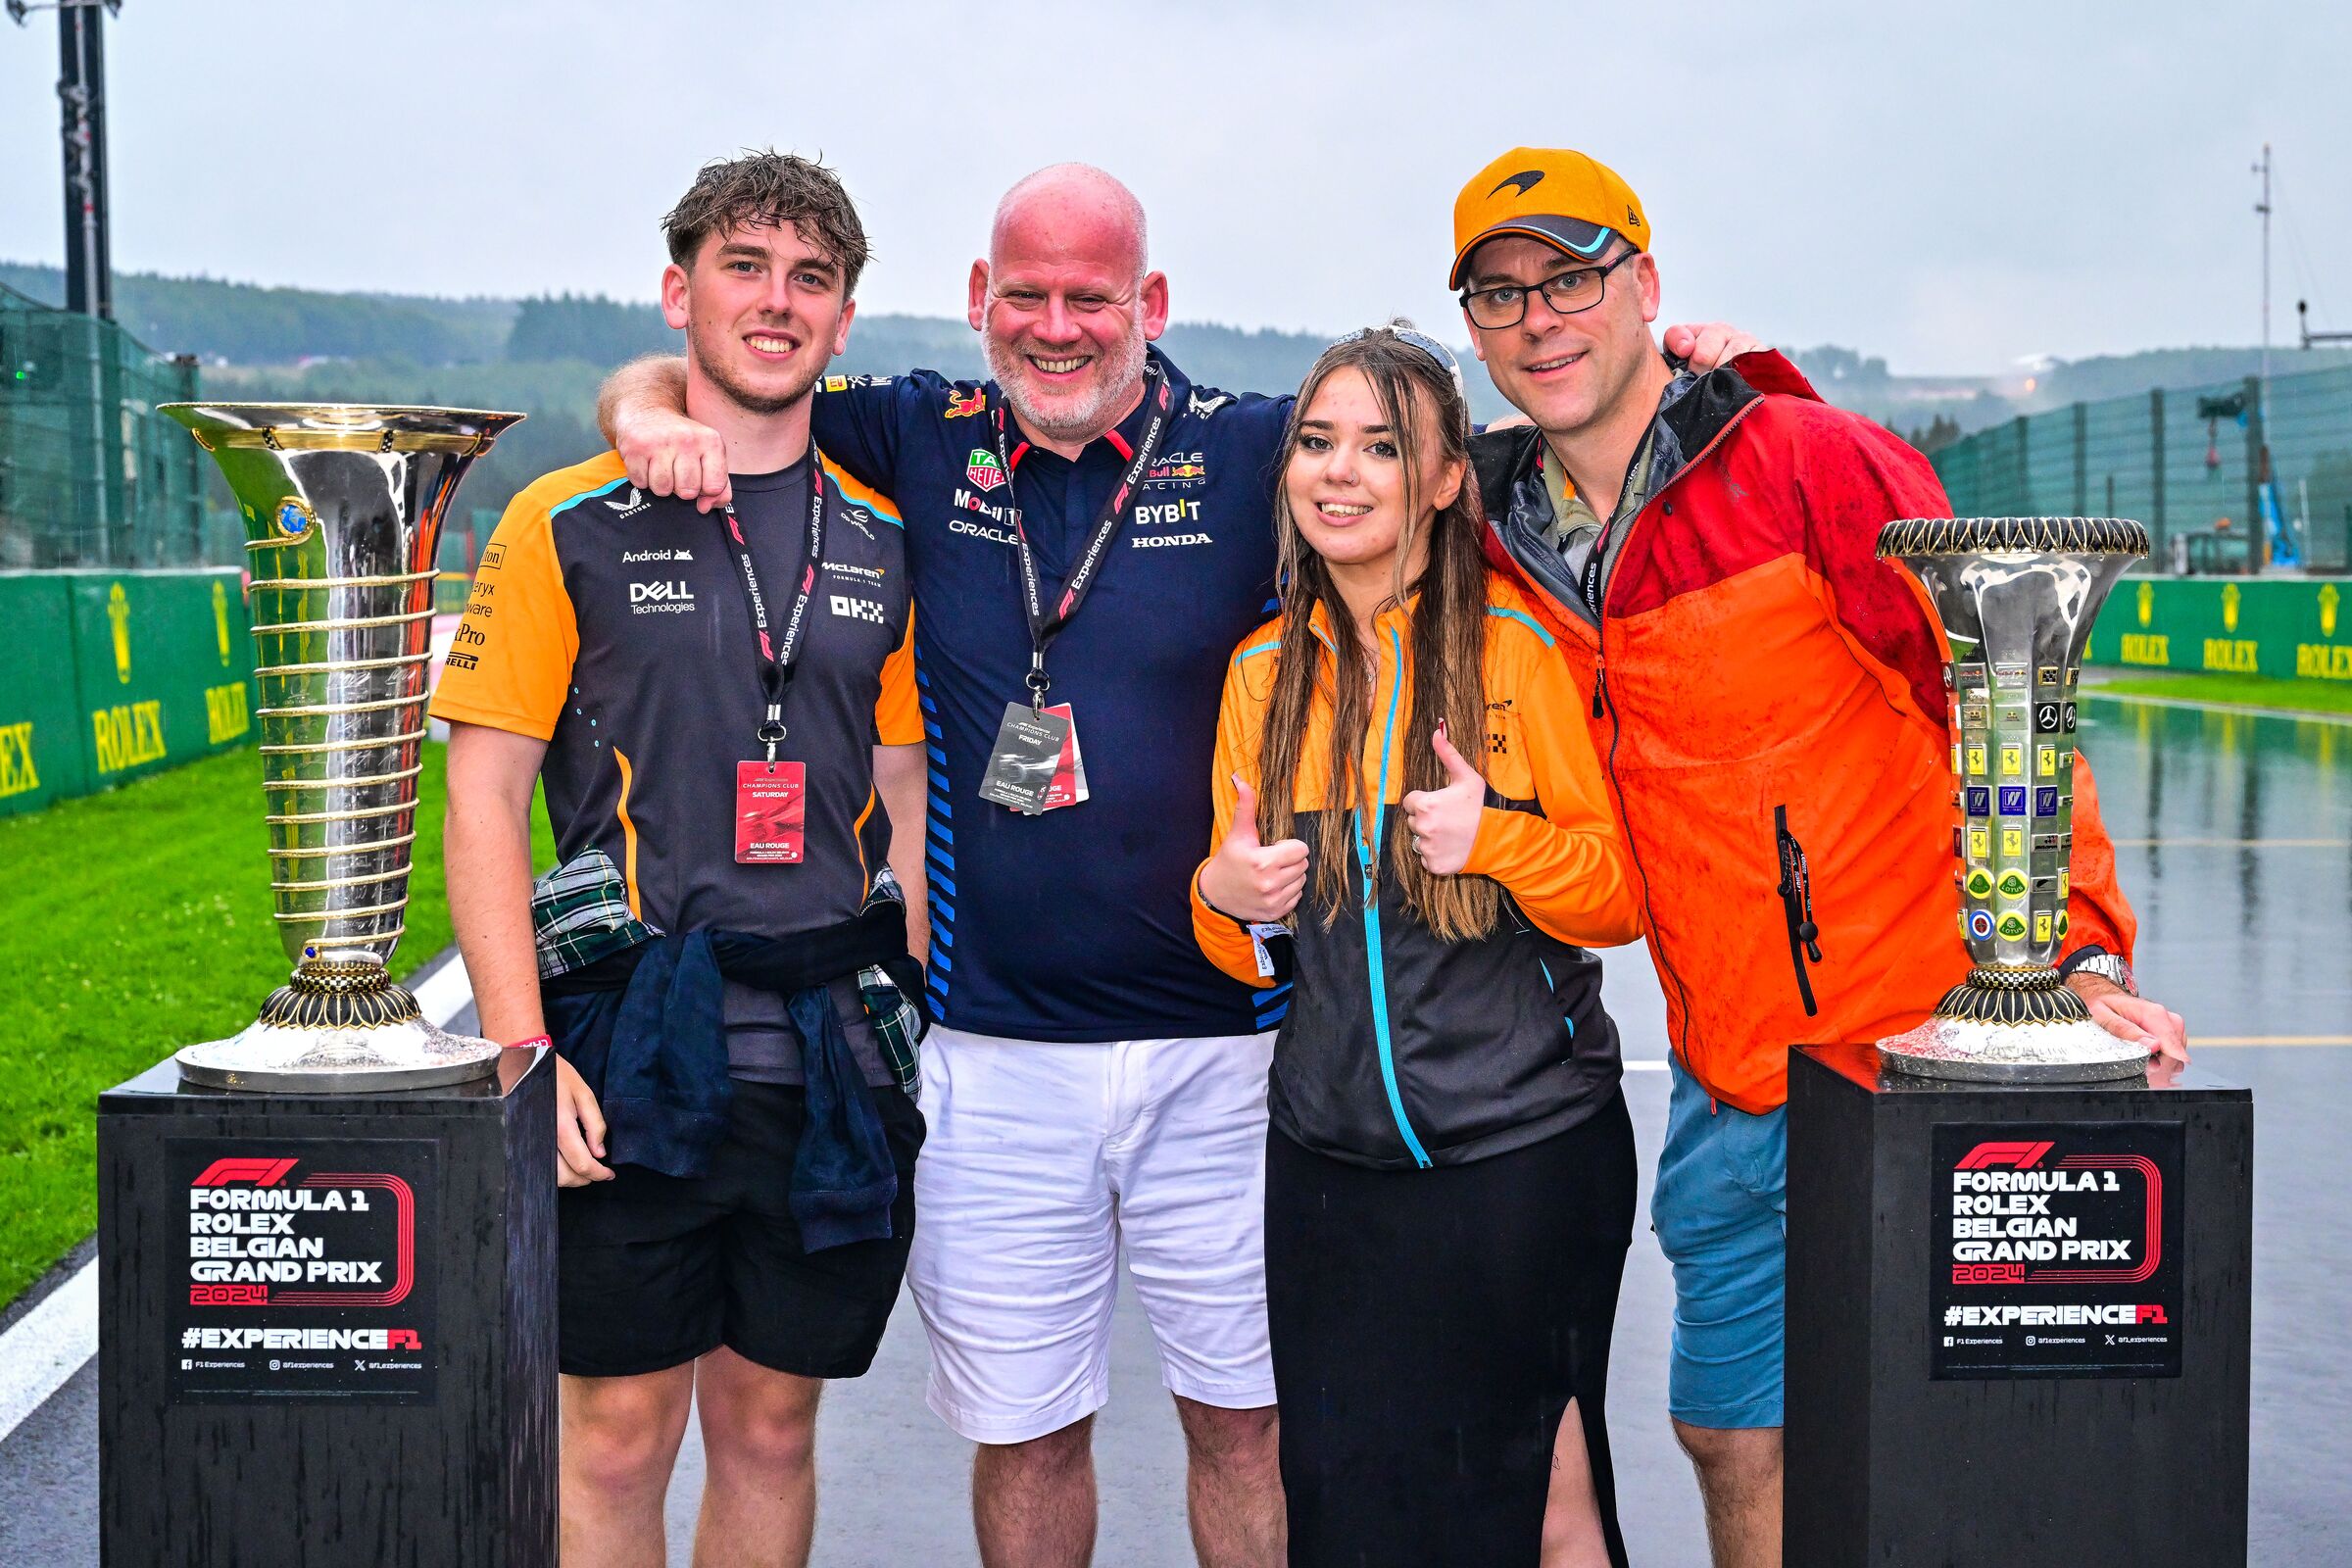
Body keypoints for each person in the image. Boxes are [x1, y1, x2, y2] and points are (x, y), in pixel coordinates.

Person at [599, 161, 1757, 1568]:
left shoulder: (1258, 444)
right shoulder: (917, 429)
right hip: (995, 1049)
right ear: (979, 300)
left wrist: (1683, 370)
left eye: (1093, 296)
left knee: (1247, 1426)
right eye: (1023, 294)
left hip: (1235, 1057)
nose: (1057, 326)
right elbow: (727, 369)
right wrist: (639, 411)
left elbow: (1436, 444)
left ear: (1149, 302)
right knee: (1025, 1436)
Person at [1448, 145, 2192, 1568]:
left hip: (1919, 1058)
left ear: (1647, 286)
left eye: (1575, 279)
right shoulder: (1489, 535)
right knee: (1734, 1442)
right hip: (1729, 1080)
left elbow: (2003, 691)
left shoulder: (1808, 463)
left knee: (1943, 1451)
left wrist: (2084, 950)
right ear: (1473, 328)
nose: (1540, 318)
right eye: (1500, 293)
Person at [434, 151, 930, 1568]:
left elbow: (899, 790)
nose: (777, 303)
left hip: (826, 1059)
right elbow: (483, 803)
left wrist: (913, 1009)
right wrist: (524, 1051)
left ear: (842, 325)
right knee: (612, 1437)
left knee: (773, 1432)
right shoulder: (564, 522)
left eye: (812, 280)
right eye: (746, 267)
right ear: (680, 291)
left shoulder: (883, 540)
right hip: (623, 1053)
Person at [1193, 324, 1643, 1567]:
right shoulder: (1261, 673)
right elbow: (1242, 947)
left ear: (1446, 478)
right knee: (1343, 1516)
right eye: (1319, 442)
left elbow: (1617, 896)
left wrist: (1498, 840)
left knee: (1543, 1508)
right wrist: (1225, 896)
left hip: (1523, 1159)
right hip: (1329, 1174)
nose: (1341, 473)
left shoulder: (1518, 650)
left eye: (1382, 446)